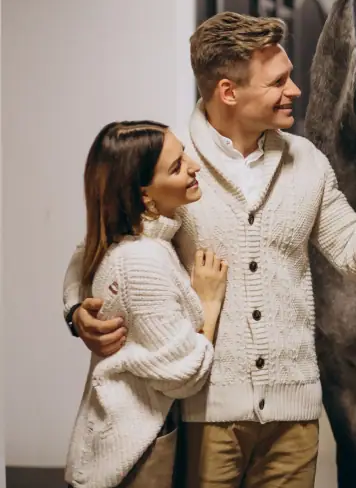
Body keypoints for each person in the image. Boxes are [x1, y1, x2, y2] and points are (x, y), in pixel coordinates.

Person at [61, 12, 356, 487]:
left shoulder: (308, 164)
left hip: (294, 418)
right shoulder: (175, 167)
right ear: (228, 92)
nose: (294, 90)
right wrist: (78, 310)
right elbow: (97, 248)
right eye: (278, 82)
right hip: (203, 415)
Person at [64, 121, 228, 488]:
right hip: (135, 456)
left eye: (183, 153)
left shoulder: (131, 243)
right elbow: (184, 375)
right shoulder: (142, 261)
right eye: (176, 166)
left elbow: (81, 256)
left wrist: (73, 311)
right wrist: (209, 302)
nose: (194, 165)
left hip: (126, 442)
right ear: (145, 197)